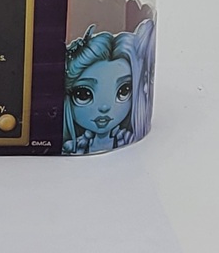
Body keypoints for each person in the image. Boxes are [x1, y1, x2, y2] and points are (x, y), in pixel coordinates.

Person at [63, 19, 155, 154]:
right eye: (84, 95)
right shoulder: (72, 146)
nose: (104, 107)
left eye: (124, 91)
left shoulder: (127, 138)